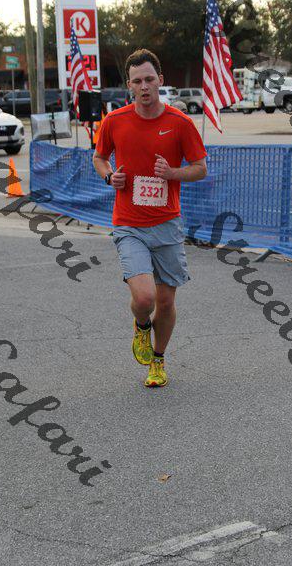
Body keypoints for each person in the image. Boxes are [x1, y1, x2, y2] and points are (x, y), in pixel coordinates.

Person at [93, 49, 207, 388]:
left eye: (149, 79)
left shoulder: (180, 123)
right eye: (137, 81)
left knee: (167, 301)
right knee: (145, 298)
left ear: (160, 81)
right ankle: (142, 325)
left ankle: (158, 360)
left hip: (167, 223)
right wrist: (109, 176)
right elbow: (99, 157)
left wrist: (172, 173)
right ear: (128, 85)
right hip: (129, 223)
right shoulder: (114, 121)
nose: (144, 86)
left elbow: (200, 168)